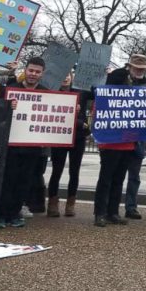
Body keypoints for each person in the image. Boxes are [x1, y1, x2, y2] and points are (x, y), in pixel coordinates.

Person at [93, 54, 146, 228]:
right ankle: (100, 213)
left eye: (142, 69)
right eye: (137, 68)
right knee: (106, 177)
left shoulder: (143, 84)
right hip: (111, 139)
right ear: (130, 67)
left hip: (129, 139)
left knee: (118, 178)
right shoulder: (116, 77)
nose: (140, 71)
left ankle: (113, 212)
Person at [0, 57, 48, 228]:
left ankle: (15, 213)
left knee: (24, 181)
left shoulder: (46, 92)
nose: (33, 74)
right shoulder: (11, 89)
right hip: (10, 144)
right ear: (25, 70)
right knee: (7, 179)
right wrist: (7, 106)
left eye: (37, 72)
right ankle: (2, 214)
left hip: (32, 145)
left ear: (42, 74)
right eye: (31, 70)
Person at [47, 72, 91, 217]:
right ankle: (52, 202)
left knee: (74, 171)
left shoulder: (81, 92)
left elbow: (98, 93)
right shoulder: (52, 92)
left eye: (68, 75)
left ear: (72, 77)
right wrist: (80, 123)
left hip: (77, 137)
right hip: (59, 136)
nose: (65, 78)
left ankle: (70, 203)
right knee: (57, 170)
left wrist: (106, 76)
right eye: (62, 75)